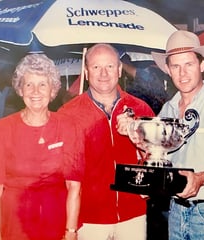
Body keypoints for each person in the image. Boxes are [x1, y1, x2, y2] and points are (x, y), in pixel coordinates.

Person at [117, 30, 204, 240]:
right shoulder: (168, 110)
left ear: (202, 65)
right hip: (176, 211)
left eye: (189, 64)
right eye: (175, 66)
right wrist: (139, 139)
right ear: (167, 70)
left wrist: (202, 178)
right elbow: (162, 156)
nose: (182, 73)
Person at [58, 43, 155, 240]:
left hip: (133, 215)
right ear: (86, 72)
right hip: (88, 219)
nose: (103, 73)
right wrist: (70, 226)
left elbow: (157, 158)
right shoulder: (67, 114)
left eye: (110, 66)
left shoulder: (140, 108)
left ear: (119, 70)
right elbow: (61, 174)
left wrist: (138, 135)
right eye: (96, 67)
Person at [0, 54, 83, 240]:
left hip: (57, 225)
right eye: (28, 84)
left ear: (52, 89)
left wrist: (70, 232)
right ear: (20, 89)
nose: (35, 91)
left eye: (43, 84)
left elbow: (74, 186)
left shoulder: (69, 126)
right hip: (14, 226)